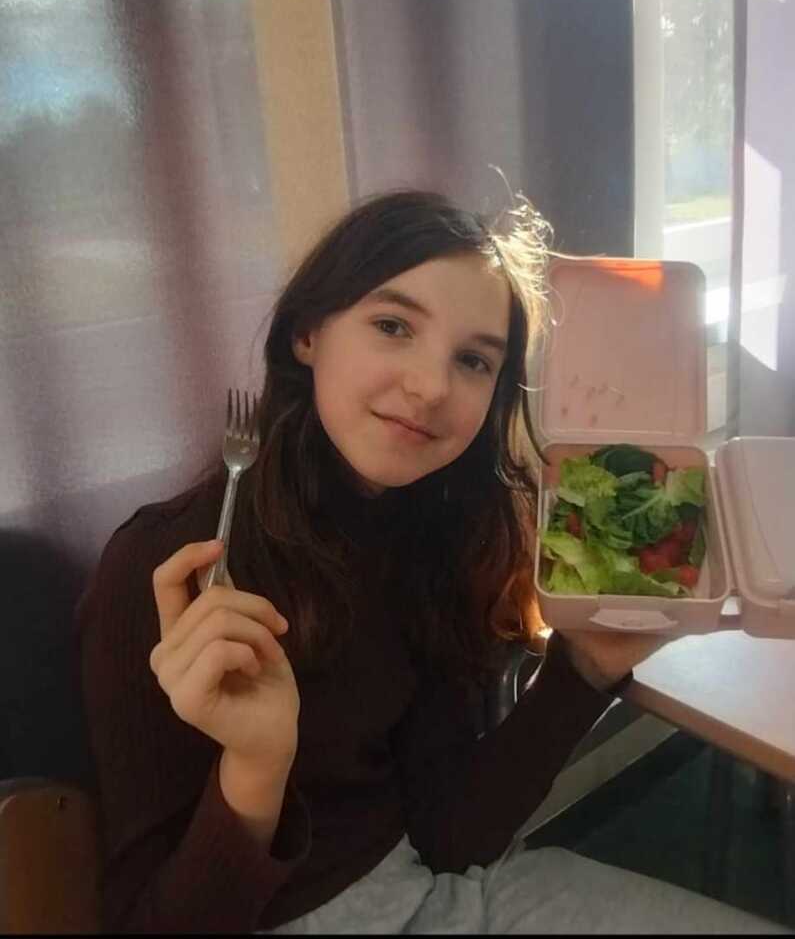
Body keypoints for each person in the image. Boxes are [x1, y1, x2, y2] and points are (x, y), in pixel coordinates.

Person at [77, 190, 789, 934]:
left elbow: (452, 837)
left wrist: (584, 666)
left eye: (473, 360)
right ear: (307, 333)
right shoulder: (164, 568)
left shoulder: (437, 533)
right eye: (393, 326)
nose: (431, 387)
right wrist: (254, 774)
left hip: (437, 896)